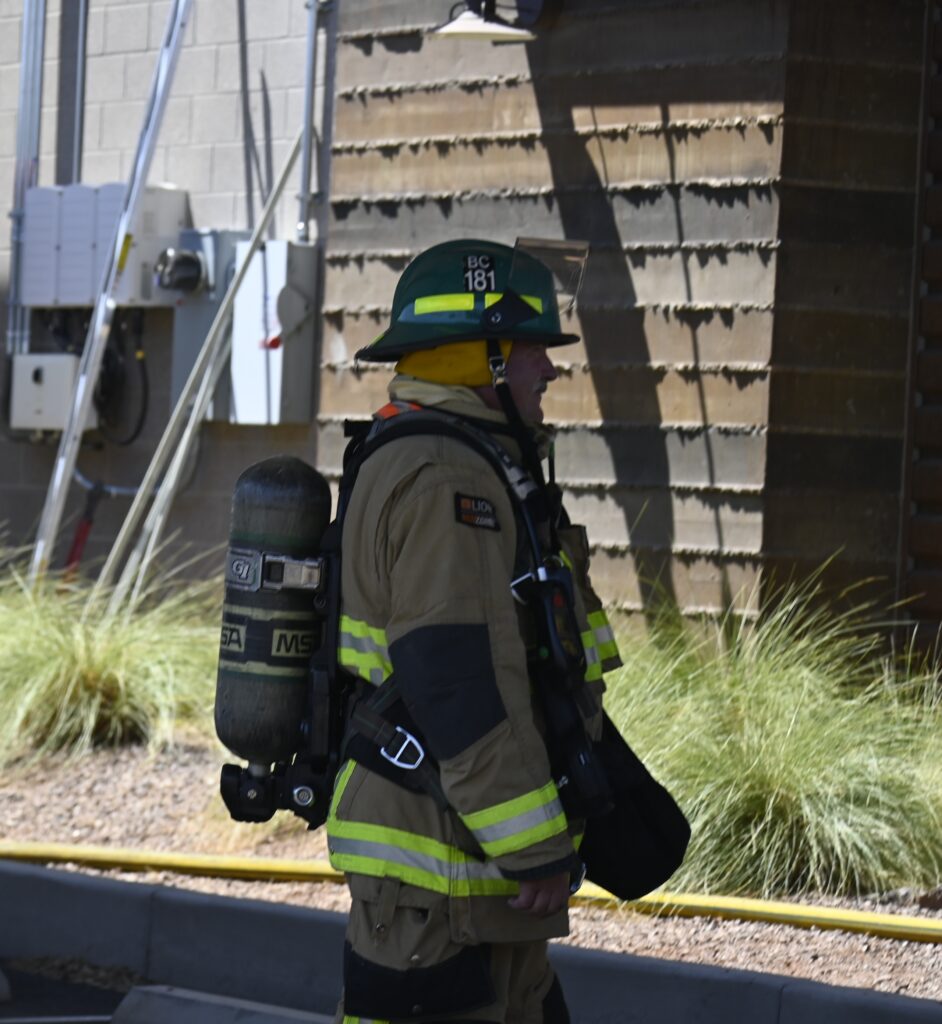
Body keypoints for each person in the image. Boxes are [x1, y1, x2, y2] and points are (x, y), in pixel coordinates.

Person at [326, 238, 622, 1024]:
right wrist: (532, 845)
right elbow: (459, 678)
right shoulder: (449, 480)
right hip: (441, 881)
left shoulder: (470, 462)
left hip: (464, 869)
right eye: (531, 349)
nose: (549, 369)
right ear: (478, 358)